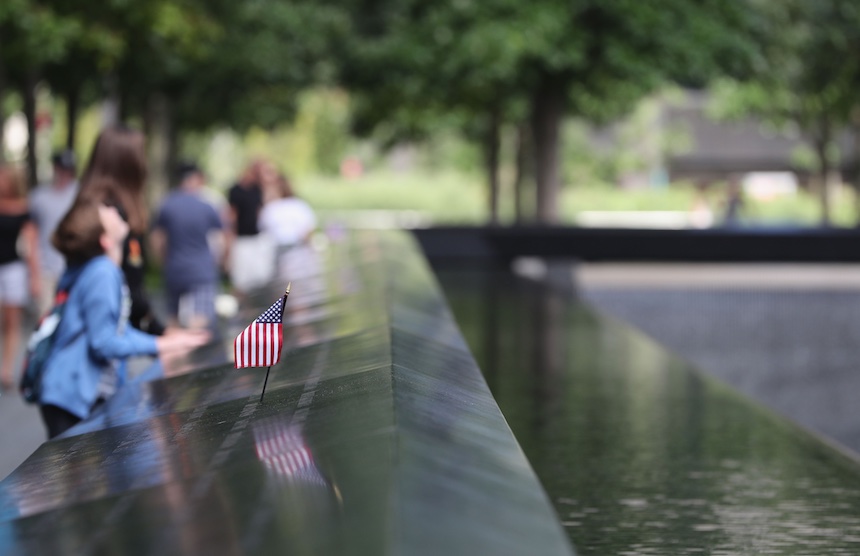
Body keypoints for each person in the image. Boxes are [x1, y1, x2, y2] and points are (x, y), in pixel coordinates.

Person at [38, 197, 208, 439]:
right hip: (69, 396)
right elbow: (104, 342)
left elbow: (118, 329)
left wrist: (168, 341)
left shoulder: (105, 270)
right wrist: (161, 344)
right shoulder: (102, 272)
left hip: (72, 393)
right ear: (105, 239)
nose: (111, 208)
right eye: (105, 211)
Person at [76, 126, 165, 335]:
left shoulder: (90, 204)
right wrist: (160, 333)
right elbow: (129, 283)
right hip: (106, 332)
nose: (146, 163)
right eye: (141, 155)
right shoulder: (114, 215)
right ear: (129, 163)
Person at [151, 162, 223, 330]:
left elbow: (157, 239)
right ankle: (191, 352)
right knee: (200, 320)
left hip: (175, 268)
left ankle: (172, 352)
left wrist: (163, 261)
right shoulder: (207, 206)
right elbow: (221, 239)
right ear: (195, 178)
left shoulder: (166, 204)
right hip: (201, 270)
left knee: (172, 318)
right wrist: (218, 262)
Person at [0, 164, 40, 391]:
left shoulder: (24, 208)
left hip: (14, 269)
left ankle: (6, 370)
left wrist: (34, 277)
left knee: (11, 322)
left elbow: (31, 243)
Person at [29, 149, 79, 314]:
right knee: (46, 322)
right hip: (46, 270)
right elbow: (31, 236)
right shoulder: (39, 197)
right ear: (55, 168)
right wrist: (34, 274)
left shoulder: (81, 194)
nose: (65, 173)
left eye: (69, 169)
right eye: (62, 168)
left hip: (74, 267)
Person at [225, 160, 275, 294]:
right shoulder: (235, 190)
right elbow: (232, 217)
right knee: (241, 278)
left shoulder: (257, 190)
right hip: (242, 239)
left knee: (259, 277)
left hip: (257, 239)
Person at [258, 173, 317, 249]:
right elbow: (309, 229)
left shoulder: (271, 208)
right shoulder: (299, 205)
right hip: (292, 247)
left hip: (284, 246)